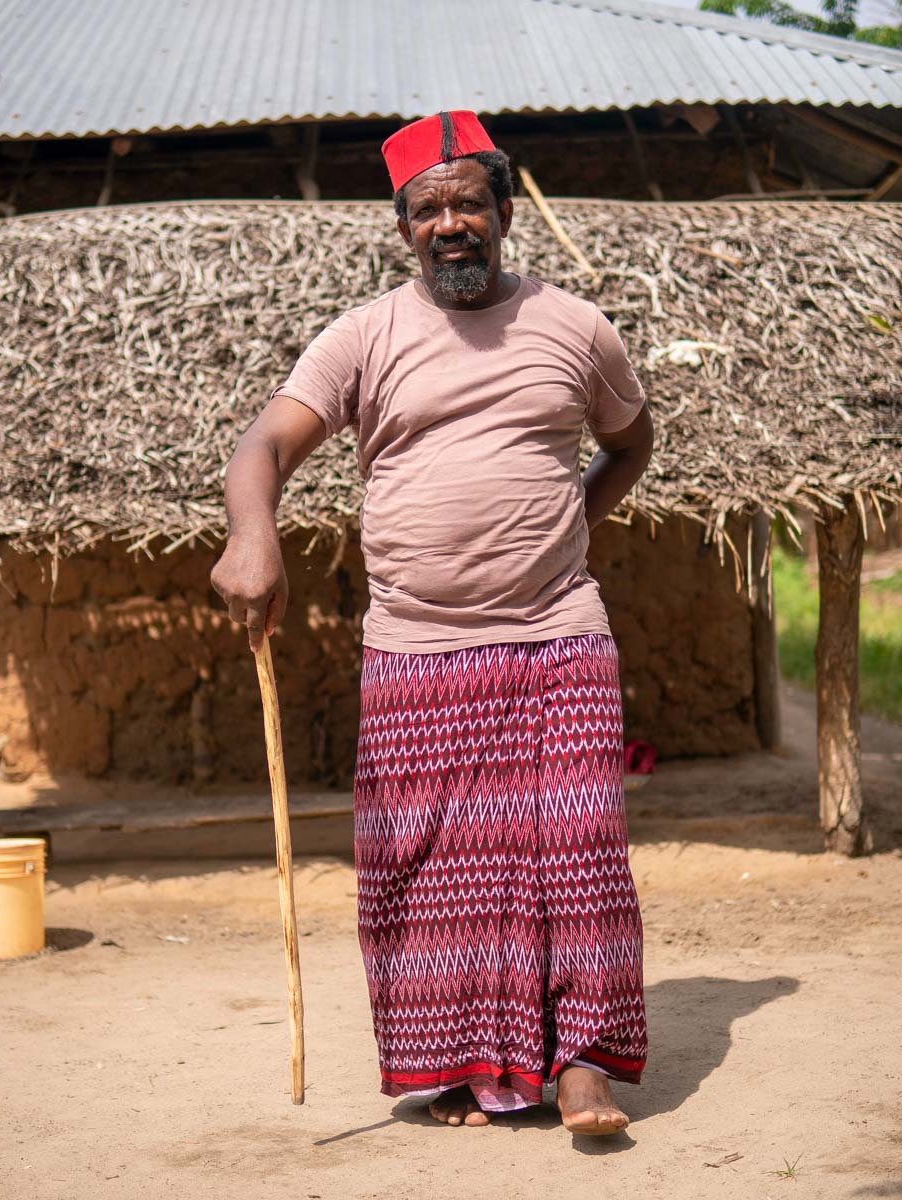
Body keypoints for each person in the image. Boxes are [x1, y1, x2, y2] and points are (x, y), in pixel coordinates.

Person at [211, 110, 653, 1135]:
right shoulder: (365, 336)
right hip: (415, 649)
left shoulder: (576, 328)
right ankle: (466, 1069)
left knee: (578, 846)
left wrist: (564, 529)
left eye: (469, 203)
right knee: (431, 870)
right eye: (428, 210)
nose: (451, 224)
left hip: (558, 633)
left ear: (505, 211)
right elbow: (263, 445)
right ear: (404, 226)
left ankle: (582, 1065)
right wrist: (253, 536)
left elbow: (631, 446)